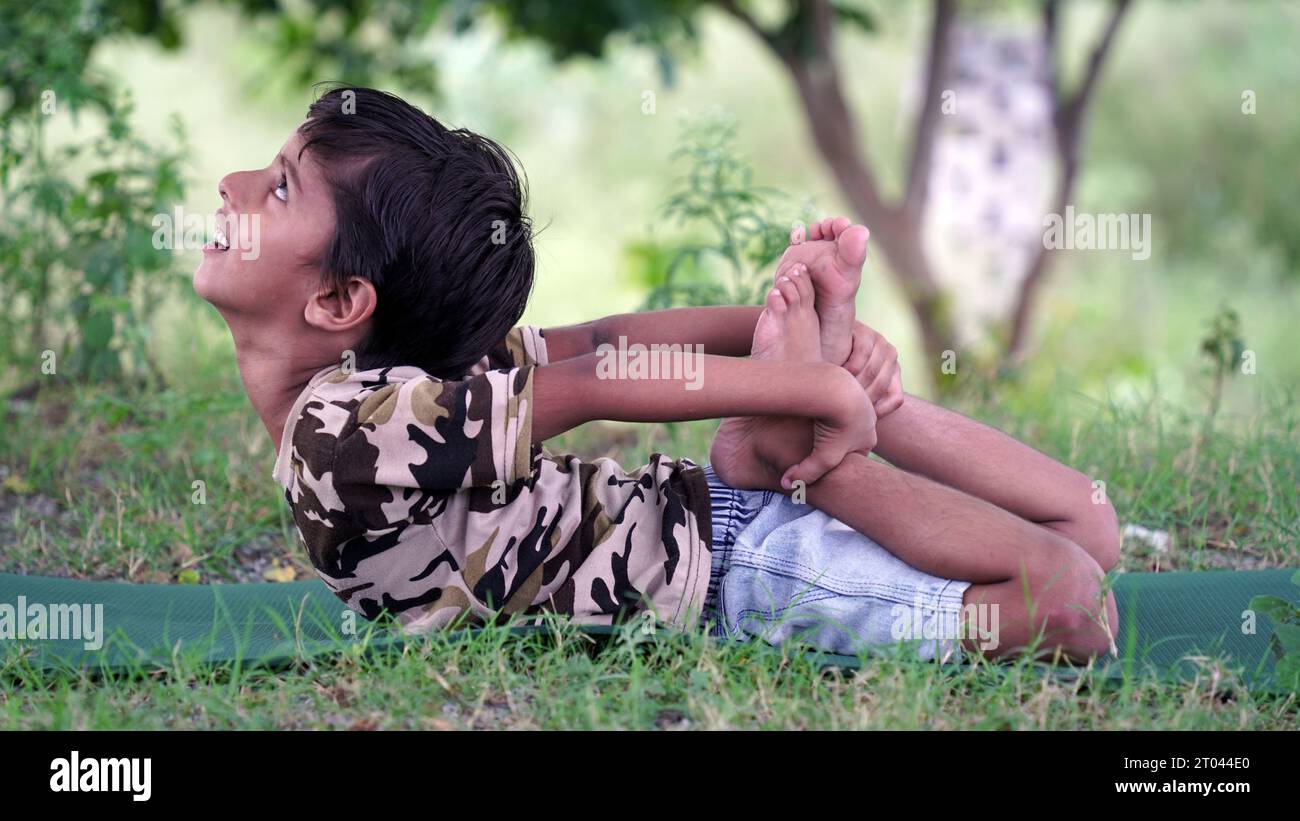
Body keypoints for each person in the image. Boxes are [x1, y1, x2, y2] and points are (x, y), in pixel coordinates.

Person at [194, 85, 1119, 664]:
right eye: (279, 181)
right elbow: (597, 375)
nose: (233, 182)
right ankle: (801, 444)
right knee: (1069, 598)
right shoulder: (354, 426)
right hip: (742, 579)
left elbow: (600, 346)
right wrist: (801, 382)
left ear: (345, 302)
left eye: (277, 185)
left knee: (1091, 532)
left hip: (726, 546)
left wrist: (779, 343)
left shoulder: (381, 393)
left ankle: (802, 435)